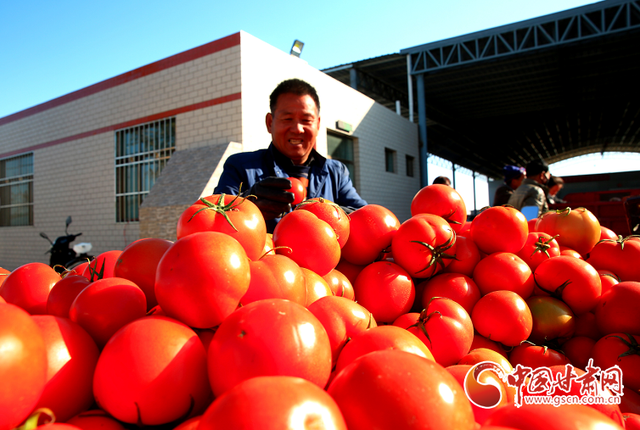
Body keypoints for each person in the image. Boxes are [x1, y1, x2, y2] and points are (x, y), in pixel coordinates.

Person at [214, 78, 367, 231]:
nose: (297, 129)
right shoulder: (240, 167)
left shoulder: (336, 172)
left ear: (318, 124)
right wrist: (247, 204)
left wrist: (331, 213)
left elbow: (364, 218)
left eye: (306, 120)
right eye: (287, 119)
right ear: (269, 123)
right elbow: (212, 222)